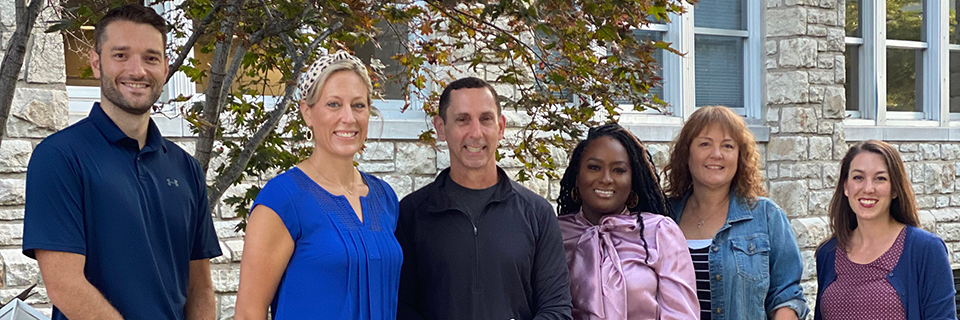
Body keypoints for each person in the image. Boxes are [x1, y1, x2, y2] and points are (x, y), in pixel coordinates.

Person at [21, 4, 222, 320]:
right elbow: (64, 284)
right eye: (121, 55)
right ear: (96, 62)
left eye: (151, 58)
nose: (137, 70)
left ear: (166, 68)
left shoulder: (186, 168)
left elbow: (200, 288)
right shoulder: (60, 157)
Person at [234, 51, 402, 319]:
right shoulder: (283, 199)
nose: (348, 117)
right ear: (307, 113)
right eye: (333, 104)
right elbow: (248, 312)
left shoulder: (384, 198)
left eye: (358, 105)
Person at [395, 77, 572, 320]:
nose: (475, 133)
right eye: (462, 120)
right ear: (440, 127)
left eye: (485, 119)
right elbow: (401, 307)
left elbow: (557, 309)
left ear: (500, 127)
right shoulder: (412, 213)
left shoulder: (537, 213)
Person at [663, 106, 808, 320]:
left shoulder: (767, 216)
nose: (716, 154)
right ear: (687, 154)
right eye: (705, 144)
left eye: (727, 146)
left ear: (739, 157)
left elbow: (786, 296)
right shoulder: (664, 217)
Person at [556, 123, 699, 320]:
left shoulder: (659, 232)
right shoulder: (555, 233)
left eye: (618, 170)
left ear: (633, 179)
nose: (606, 179)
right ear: (577, 175)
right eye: (594, 167)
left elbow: (682, 314)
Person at [814, 140, 956, 320]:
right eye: (858, 177)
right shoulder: (828, 253)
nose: (868, 188)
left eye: (880, 178)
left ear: (895, 189)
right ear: (845, 186)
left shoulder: (925, 249)